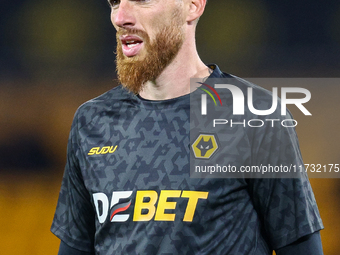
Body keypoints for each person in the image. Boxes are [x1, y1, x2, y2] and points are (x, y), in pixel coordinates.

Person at [51, 0, 324, 254]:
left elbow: (300, 245)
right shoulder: (92, 121)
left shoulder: (253, 115)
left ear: (193, 6)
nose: (120, 17)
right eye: (114, 1)